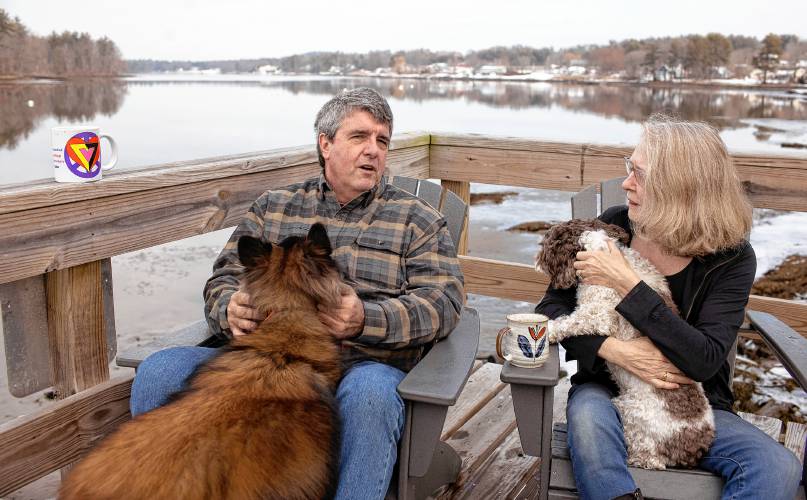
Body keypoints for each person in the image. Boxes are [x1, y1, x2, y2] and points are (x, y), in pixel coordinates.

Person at [129, 87, 465, 500]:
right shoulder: (275, 207)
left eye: (382, 141)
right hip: (265, 359)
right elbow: (222, 280)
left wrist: (366, 319)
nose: (373, 151)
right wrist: (228, 310)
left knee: (370, 397)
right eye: (359, 137)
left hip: (362, 364)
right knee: (160, 370)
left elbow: (444, 302)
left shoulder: (418, 219)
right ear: (325, 144)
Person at [536, 115, 802, 500]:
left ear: (681, 188)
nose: (626, 183)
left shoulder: (731, 259)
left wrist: (627, 282)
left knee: (778, 466)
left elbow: (704, 359)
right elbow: (549, 310)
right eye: (630, 169)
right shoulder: (613, 228)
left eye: (640, 174)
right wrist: (615, 351)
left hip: (695, 407)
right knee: (589, 423)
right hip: (606, 391)